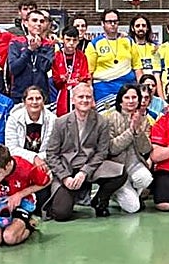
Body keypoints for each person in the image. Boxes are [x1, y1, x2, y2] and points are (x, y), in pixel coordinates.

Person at [44, 83, 126, 219]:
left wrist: (84, 172)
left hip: (90, 167)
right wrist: (64, 177)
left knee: (120, 173)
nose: (85, 100)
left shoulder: (102, 122)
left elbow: (102, 152)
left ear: (93, 100)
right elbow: (51, 154)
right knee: (61, 214)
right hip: (67, 169)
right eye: (80, 97)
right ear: (73, 99)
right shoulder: (60, 122)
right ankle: (72, 194)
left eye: (88, 97)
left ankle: (100, 201)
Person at [0, 143, 50, 247]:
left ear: (8, 165)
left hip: (21, 205)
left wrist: (20, 195)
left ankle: (30, 224)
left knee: (9, 237)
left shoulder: (25, 167)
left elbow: (46, 181)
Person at [105, 83, 154, 213]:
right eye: (127, 98)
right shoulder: (110, 118)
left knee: (146, 179)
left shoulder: (144, 120)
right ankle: (115, 192)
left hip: (135, 163)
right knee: (133, 208)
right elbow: (112, 148)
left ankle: (132, 193)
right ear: (120, 101)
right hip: (116, 167)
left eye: (134, 97)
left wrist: (138, 131)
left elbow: (145, 149)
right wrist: (131, 131)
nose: (131, 101)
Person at [86, 9, 139, 111]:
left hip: (127, 90)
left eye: (115, 21)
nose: (113, 24)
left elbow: (137, 68)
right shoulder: (94, 44)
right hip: (103, 90)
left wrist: (141, 91)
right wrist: (90, 96)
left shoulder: (128, 41)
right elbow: (89, 74)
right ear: (102, 23)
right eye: (109, 22)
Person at [6, 10, 54, 101]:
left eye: (42, 21)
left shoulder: (48, 45)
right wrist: (29, 50)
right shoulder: (16, 42)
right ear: (25, 23)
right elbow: (14, 69)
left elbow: (45, 67)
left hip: (41, 95)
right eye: (34, 20)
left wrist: (38, 49)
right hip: (20, 94)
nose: (38, 24)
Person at [5, 85, 56, 169]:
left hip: (45, 163)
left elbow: (52, 149)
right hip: (19, 163)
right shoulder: (13, 119)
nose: (35, 102)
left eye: (38, 98)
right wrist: (34, 158)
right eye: (30, 99)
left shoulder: (53, 120)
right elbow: (12, 148)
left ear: (44, 101)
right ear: (24, 102)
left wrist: (40, 160)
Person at [51, 24, 91, 116]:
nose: (71, 43)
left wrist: (76, 80)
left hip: (78, 93)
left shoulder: (81, 56)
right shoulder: (56, 56)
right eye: (68, 40)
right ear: (62, 39)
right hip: (62, 94)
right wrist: (61, 79)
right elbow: (55, 79)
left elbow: (84, 76)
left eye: (74, 40)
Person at [128, 15, 161, 82]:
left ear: (147, 28)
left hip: (151, 85)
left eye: (143, 25)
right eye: (137, 26)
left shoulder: (154, 48)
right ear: (132, 28)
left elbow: (157, 72)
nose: (141, 28)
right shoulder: (128, 47)